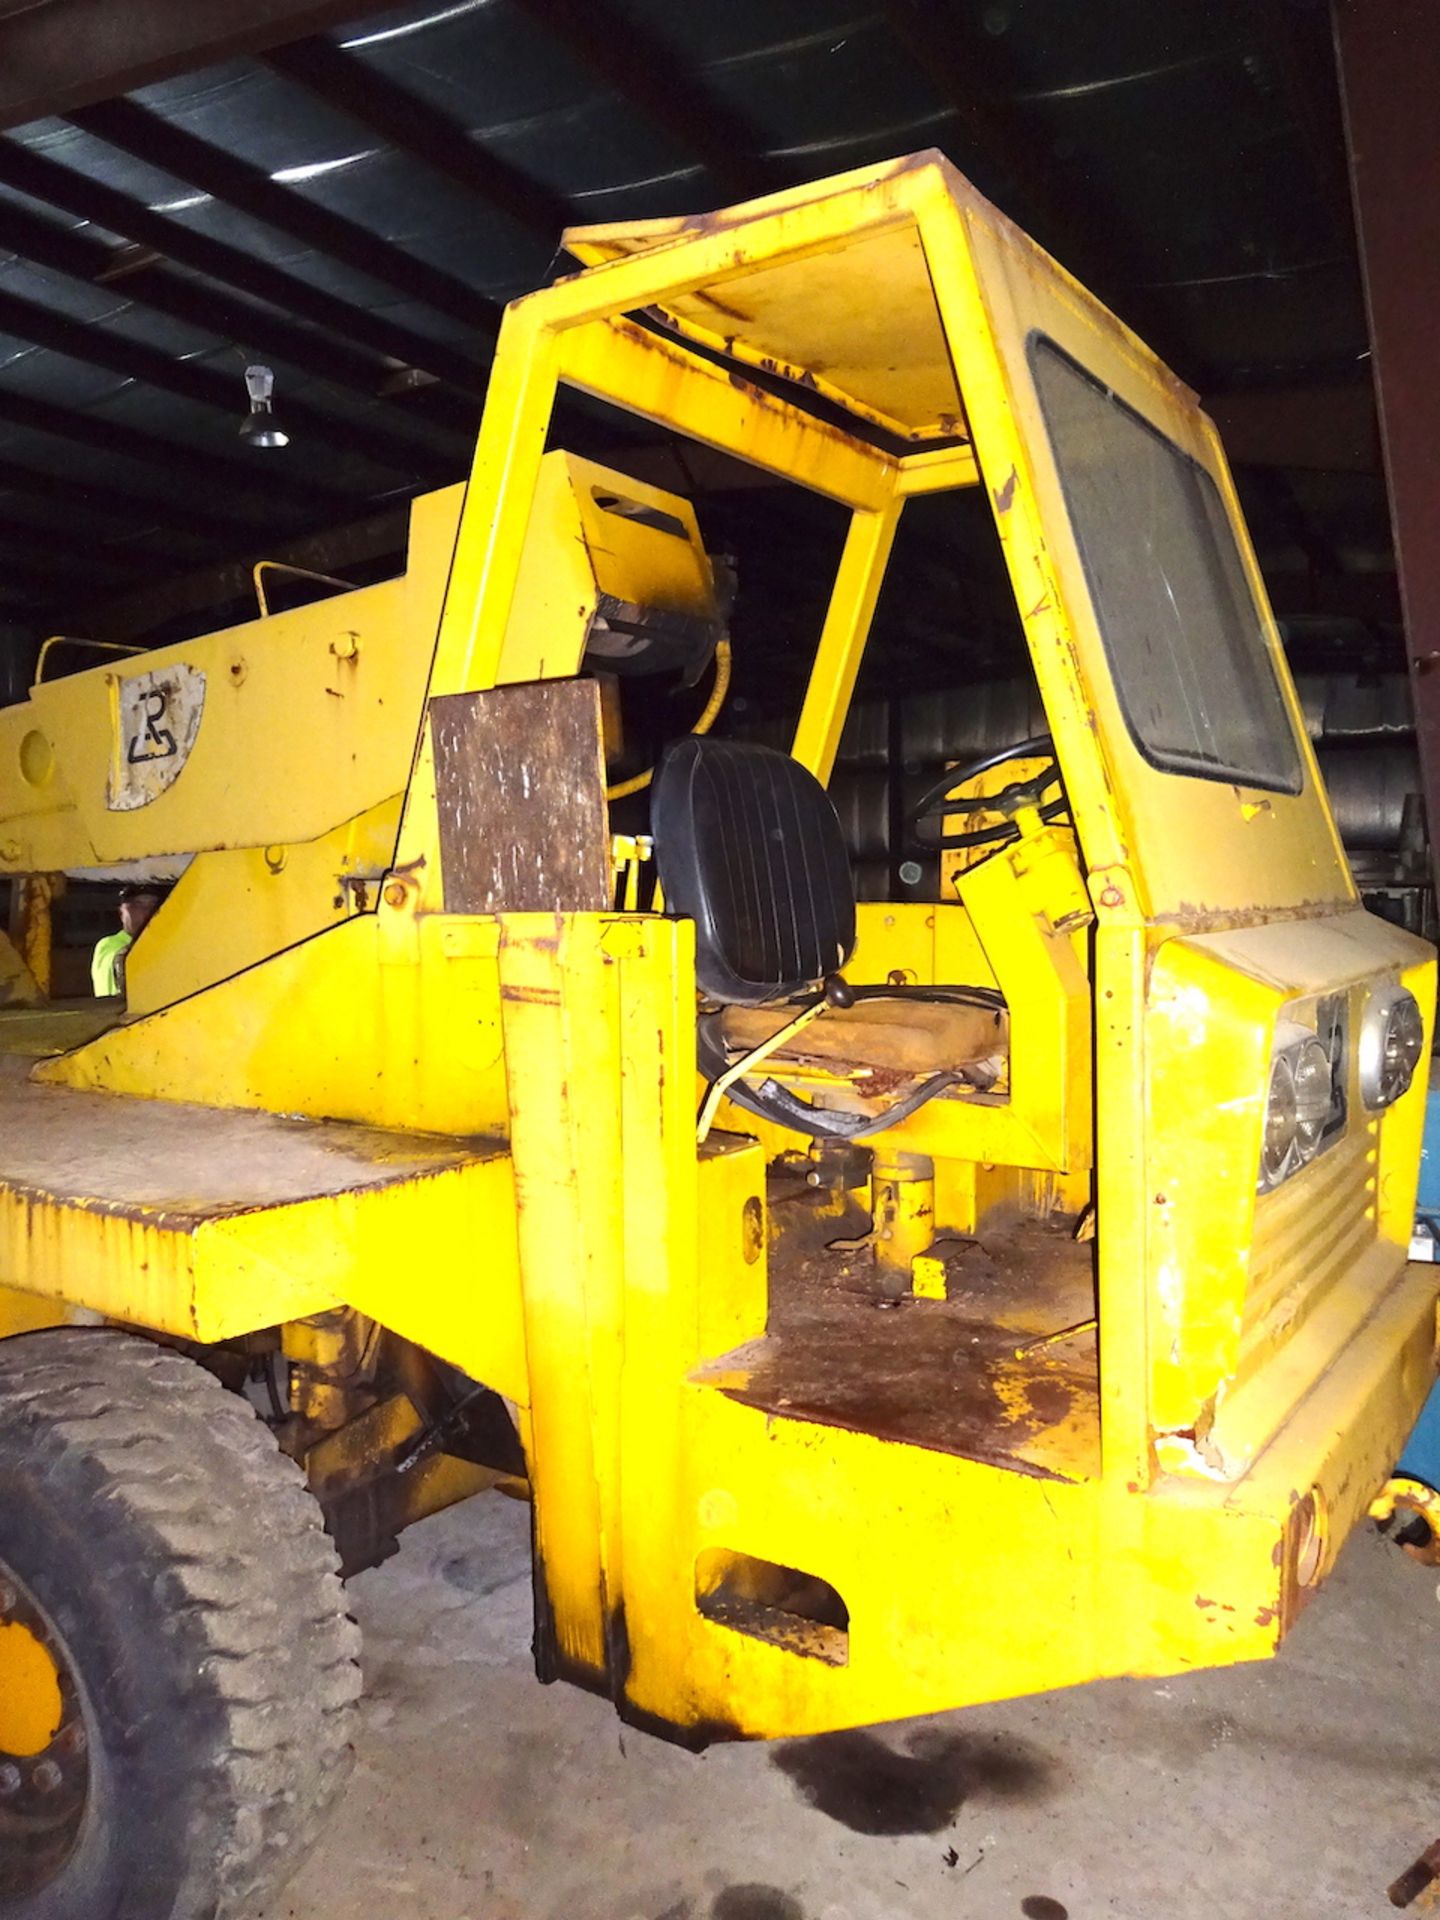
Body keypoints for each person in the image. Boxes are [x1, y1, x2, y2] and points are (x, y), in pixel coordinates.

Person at [91, 884, 162, 999]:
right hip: (116, 1014)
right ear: (121, 913)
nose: (148, 911)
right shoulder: (108, 944)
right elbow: (120, 960)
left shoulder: (161, 943)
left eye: (153, 905)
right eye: (138, 905)